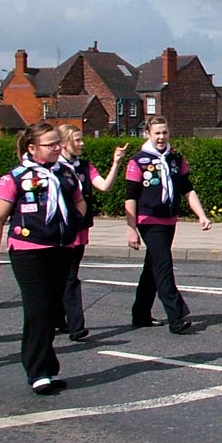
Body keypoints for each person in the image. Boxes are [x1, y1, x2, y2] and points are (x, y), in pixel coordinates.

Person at [0, 122, 86, 395]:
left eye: (57, 143)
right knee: (38, 308)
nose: (56, 148)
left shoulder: (65, 173)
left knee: (52, 309)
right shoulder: (15, 177)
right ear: (32, 148)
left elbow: (79, 200)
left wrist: (76, 220)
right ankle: (38, 371)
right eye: (50, 144)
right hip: (28, 250)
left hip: (60, 248)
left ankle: (47, 368)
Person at [125, 116, 211, 334]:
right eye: (157, 133)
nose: (162, 137)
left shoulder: (175, 159)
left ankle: (141, 313)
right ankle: (176, 316)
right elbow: (131, 197)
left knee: (152, 268)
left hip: (169, 219)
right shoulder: (138, 161)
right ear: (147, 134)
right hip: (148, 220)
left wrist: (201, 215)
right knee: (163, 265)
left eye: (165, 133)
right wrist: (131, 227)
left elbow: (188, 190)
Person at [57, 123, 128, 341]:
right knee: (66, 277)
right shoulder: (54, 169)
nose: (82, 143)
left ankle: (60, 319)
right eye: (77, 140)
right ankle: (75, 326)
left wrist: (116, 163)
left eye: (81, 139)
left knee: (68, 276)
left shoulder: (84, 166)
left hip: (80, 228)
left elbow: (104, 186)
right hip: (58, 230)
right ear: (64, 143)